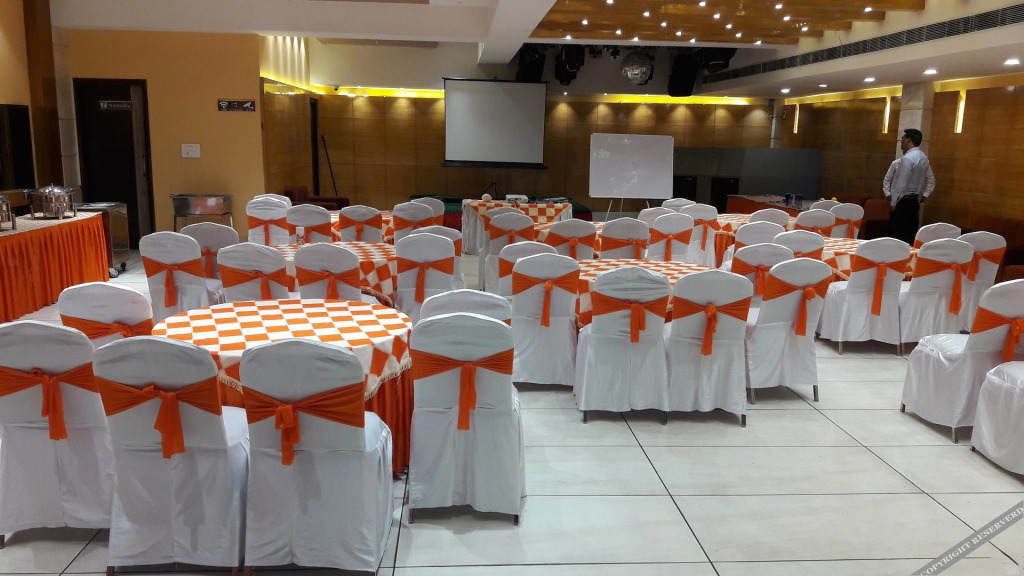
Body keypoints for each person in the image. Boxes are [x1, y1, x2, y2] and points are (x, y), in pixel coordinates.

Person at [884, 128, 934, 244]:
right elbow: (930, 179)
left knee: (898, 236)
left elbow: (901, 183)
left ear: (909, 140)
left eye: (903, 140)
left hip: (903, 201)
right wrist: (924, 195)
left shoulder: (907, 159)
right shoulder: (923, 158)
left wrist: (893, 203)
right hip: (915, 201)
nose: (901, 143)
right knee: (910, 235)